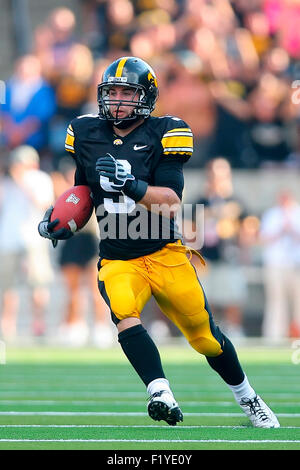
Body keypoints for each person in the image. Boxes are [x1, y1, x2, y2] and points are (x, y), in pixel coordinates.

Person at [38, 56, 279, 428]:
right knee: (123, 311)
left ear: (146, 96)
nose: (117, 100)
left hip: (163, 251)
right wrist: (62, 222)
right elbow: (83, 192)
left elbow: (171, 202)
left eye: (127, 93)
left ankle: (249, 399)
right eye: (112, 92)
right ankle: (159, 391)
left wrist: (130, 184)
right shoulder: (85, 132)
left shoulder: (165, 131)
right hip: (118, 257)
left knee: (205, 339)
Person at [260, 189, 300, 340]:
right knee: (276, 301)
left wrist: (292, 229)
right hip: (275, 265)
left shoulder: (297, 213)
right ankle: (275, 335)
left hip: (296, 264)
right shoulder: (272, 214)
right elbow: (264, 238)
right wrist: (281, 229)